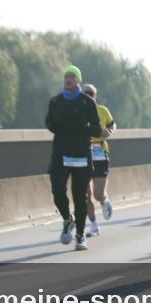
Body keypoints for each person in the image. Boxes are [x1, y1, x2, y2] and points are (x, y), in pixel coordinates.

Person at [45, 66, 102, 251]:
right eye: (66, 76)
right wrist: (58, 126)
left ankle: (80, 236)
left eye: (72, 76)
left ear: (77, 80)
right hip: (61, 153)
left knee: (80, 197)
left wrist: (82, 128)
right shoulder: (56, 101)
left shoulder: (87, 102)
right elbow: (49, 122)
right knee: (58, 190)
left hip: (81, 155)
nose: (68, 79)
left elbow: (96, 128)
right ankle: (67, 219)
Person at [81, 83, 116, 236]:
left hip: (100, 153)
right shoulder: (77, 111)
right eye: (85, 94)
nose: (88, 96)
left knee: (97, 194)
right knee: (85, 194)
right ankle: (94, 226)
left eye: (91, 94)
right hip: (83, 154)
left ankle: (104, 200)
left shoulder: (102, 110)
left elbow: (112, 124)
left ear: (95, 96)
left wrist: (109, 131)